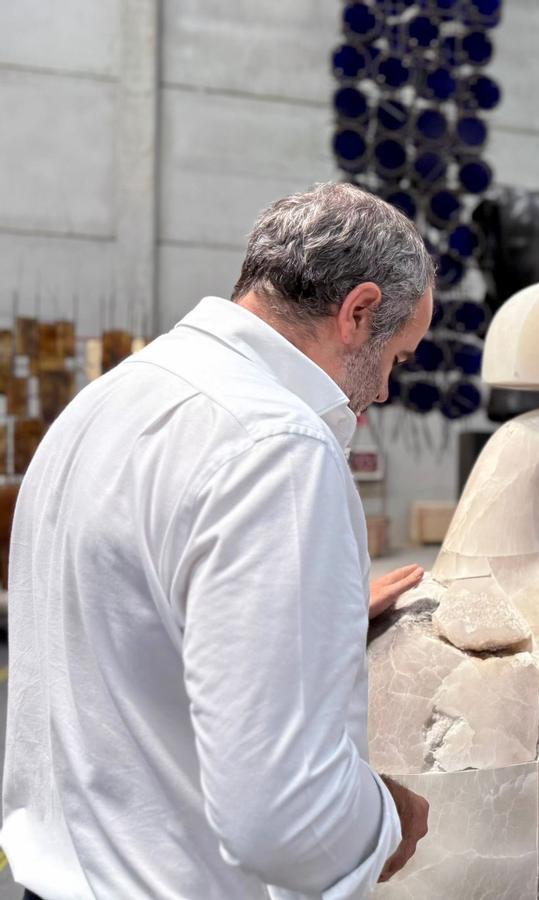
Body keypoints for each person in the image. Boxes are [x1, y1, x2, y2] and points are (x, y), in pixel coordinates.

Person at [2, 182, 435, 899]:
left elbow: (121, 624)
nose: (386, 389)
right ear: (358, 312)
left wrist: (301, 632)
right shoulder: (277, 445)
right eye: (400, 356)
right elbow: (286, 820)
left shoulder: (109, 401)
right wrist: (385, 818)